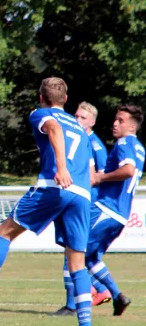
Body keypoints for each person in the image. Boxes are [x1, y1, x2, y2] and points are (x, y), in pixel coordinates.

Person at [0, 77, 96, 326]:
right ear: (66, 99)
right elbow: (90, 172)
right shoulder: (81, 129)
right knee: (77, 263)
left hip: (54, 186)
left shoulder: (40, 113)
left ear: (41, 97)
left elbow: (54, 129)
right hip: (82, 195)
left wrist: (60, 167)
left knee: (5, 232)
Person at [81, 105, 143, 316]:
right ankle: (117, 296)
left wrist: (100, 177)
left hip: (107, 208)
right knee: (90, 258)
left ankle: (76, 306)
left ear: (132, 126)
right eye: (115, 119)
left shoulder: (124, 142)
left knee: (75, 250)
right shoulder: (140, 147)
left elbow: (128, 170)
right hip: (120, 215)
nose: (115, 123)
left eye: (121, 120)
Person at [52, 102, 110, 314]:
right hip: (75, 201)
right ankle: (101, 290)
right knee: (74, 253)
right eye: (76, 115)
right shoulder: (80, 140)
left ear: (92, 122)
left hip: (86, 204)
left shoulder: (94, 145)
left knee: (74, 253)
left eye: (83, 117)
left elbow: (99, 177)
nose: (78, 120)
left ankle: (72, 304)